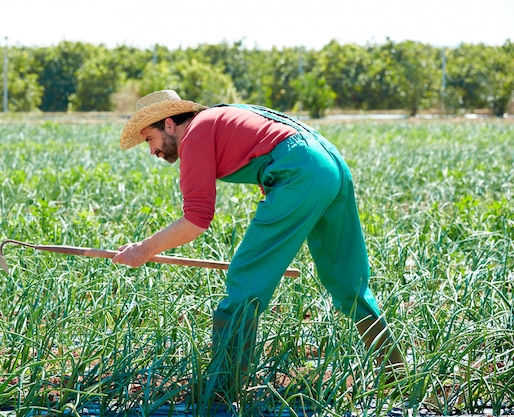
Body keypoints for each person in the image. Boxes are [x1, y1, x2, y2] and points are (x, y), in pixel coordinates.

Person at [112, 90, 404, 406]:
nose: (152, 150)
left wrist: (144, 249)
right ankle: (398, 376)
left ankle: (222, 393)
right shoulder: (219, 117)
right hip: (329, 164)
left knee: (243, 285)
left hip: (299, 172)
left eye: (149, 139)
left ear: (169, 124)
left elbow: (196, 219)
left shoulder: (194, 133)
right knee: (348, 282)